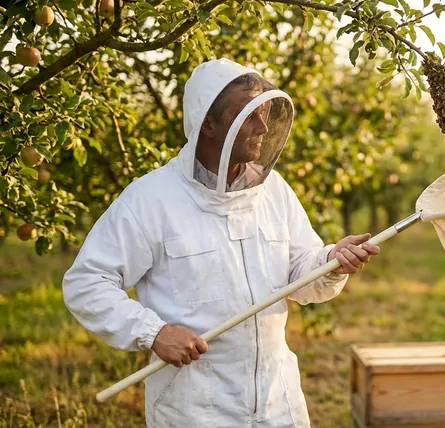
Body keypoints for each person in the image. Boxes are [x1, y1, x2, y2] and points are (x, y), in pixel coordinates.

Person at [62, 58, 380, 427]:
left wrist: (331, 260)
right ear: (208, 125)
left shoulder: (273, 191)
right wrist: (155, 333)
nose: (263, 126)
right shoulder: (151, 199)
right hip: (196, 408)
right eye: (247, 116)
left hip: (278, 403)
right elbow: (87, 282)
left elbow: (300, 273)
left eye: (263, 112)